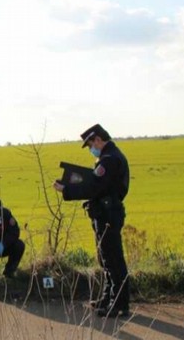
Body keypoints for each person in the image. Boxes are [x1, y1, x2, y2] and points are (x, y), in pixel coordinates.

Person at [53, 124, 131, 318]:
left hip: (108, 214)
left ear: (97, 140)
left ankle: (118, 303)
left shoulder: (109, 160)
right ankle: (108, 298)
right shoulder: (108, 157)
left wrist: (67, 190)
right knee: (105, 259)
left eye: (90, 145)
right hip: (105, 212)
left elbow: (94, 188)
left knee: (113, 259)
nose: (90, 149)